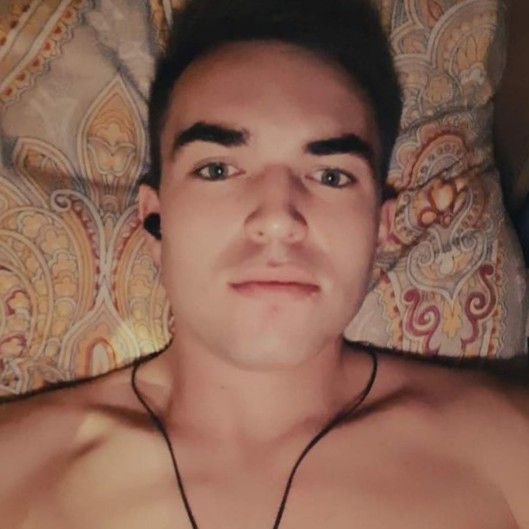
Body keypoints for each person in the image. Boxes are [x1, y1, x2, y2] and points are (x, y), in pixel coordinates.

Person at [1, 1, 528, 527]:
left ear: (380, 228)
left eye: (331, 176)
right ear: (156, 220)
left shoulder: (503, 448)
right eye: (217, 169)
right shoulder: (18, 466)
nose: (278, 220)